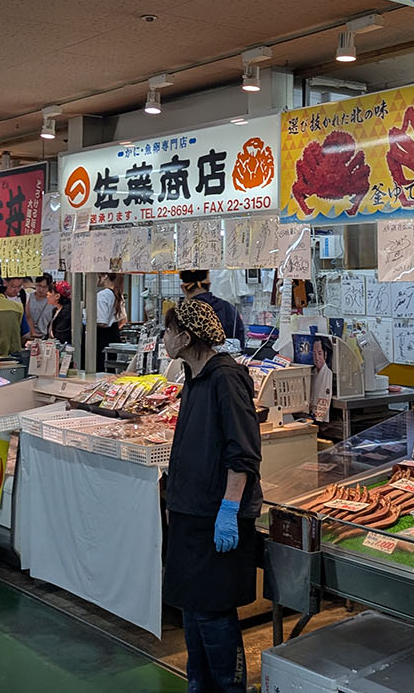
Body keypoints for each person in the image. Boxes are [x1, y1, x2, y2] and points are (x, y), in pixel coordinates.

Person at [162, 298, 262, 693]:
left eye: (169, 331)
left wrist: (228, 508)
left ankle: (230, 687)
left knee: (213, 613)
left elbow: (243, 452)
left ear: (187, 336)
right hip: (190, 512)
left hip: (216, 514)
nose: (164, 338)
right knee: (191, 609)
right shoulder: (193, 376)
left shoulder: (226, 378)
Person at [179, 271, 247, 352]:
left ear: (183, 288)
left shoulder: (182, 314)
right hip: (227, 361)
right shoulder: (228, 308)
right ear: (209, 285)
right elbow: (240, 343)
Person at [94, 272, 124, 371]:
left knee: (101, 369)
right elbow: (123, 319)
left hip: (103, 338)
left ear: (105, 276)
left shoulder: (102, 295)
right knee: (111, 370)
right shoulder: (118, 294)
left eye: (98, 276)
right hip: (113, 335)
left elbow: (102, 322)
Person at [24, 274, 56, 340]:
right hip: (28, 337)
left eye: (45, 287)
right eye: (39, 286)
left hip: (45, 337)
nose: (41, 290)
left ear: (49, 287)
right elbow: (27, 317)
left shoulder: (52, 301)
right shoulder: (28, 297)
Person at [49, 281, 72, 345]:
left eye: (50, 292)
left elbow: (61, 335)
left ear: (57, 296)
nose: (47, 294)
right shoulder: (55, 310)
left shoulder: (67, 312)